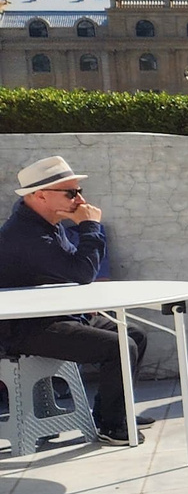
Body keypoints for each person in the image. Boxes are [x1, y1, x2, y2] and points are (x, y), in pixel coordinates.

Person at [0, 156, 149, 442]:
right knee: (120, 345)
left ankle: (115, 411)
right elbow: (82, 272)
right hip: (25, 328)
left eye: (79, 191)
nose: (80, 200)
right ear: (39, 195)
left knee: (134, 335)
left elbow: (73, 272)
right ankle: (112, 426)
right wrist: (90, 226)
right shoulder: (26, 236)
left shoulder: (46, 224)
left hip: (52, 315)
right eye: (71, 193)